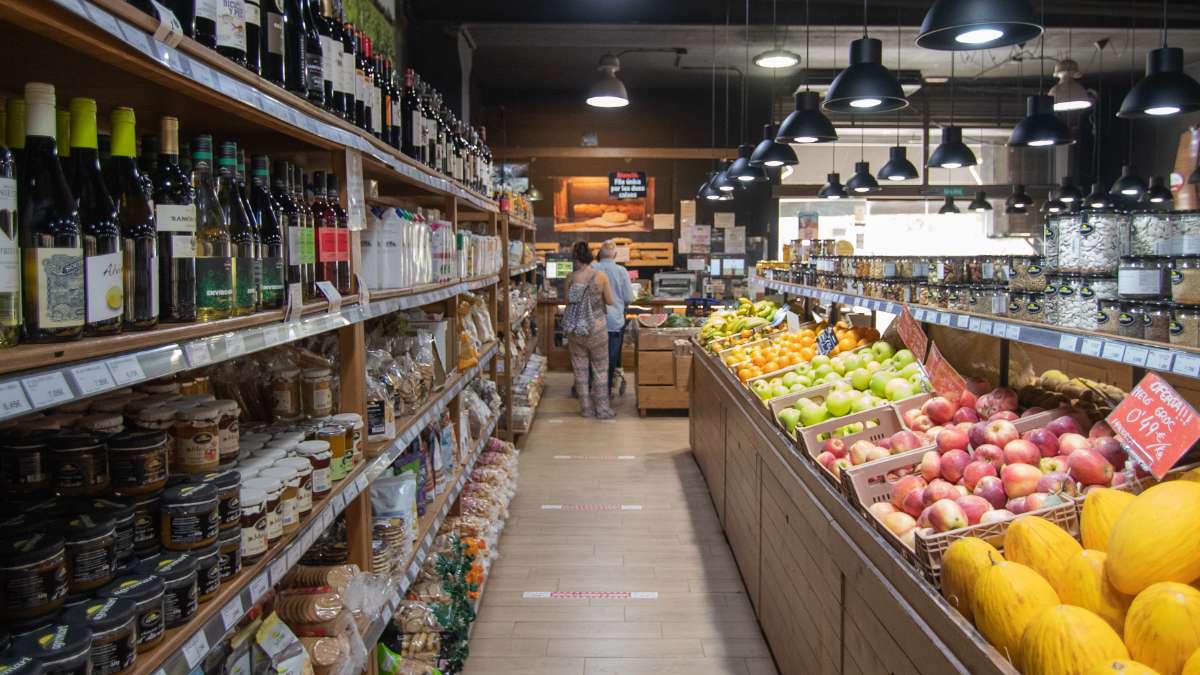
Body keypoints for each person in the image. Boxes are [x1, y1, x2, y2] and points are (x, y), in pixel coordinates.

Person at [562, 241, 616, 418]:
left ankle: (586, 408)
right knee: (600, 369)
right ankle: (602, 409)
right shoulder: (601, 276)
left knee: (580, 370)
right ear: (591, 256)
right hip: (597, 328)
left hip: (576, 329)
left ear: (575, 258)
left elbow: (567, 301)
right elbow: (610, 301)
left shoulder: (570, 277)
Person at [591, 239, 636, 397]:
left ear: (599, 254)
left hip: (593, 321)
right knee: (610, 358)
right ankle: (606, 390)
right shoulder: (621, 271)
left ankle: (593, 387)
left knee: (594, 357)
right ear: (615, 255)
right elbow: (628, 298)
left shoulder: (592, 268)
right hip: (614, 322)